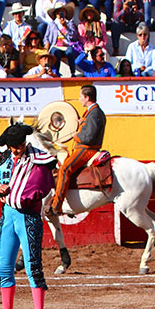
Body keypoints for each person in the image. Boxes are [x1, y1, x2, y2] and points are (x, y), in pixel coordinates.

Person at [0, 123, 56, 309]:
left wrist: (15, 196)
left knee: (33, 267)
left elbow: (42, 186)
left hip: (29, 217)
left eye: (20, 145)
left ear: (25, 142)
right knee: (4, 268)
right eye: (13, 147)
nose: (17, 150)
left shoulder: (38, 159)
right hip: (8, 217)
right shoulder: (3, 157)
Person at [48, 84, 105, 217]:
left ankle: (56, 205)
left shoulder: (95, 113)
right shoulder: (93, 112)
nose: (79, 99)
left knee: (64, 169)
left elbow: (88, 137)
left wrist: (76, 134)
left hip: (87, 149)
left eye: (81, 96)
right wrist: (82, 124)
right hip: (84, 148)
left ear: (87, 97)